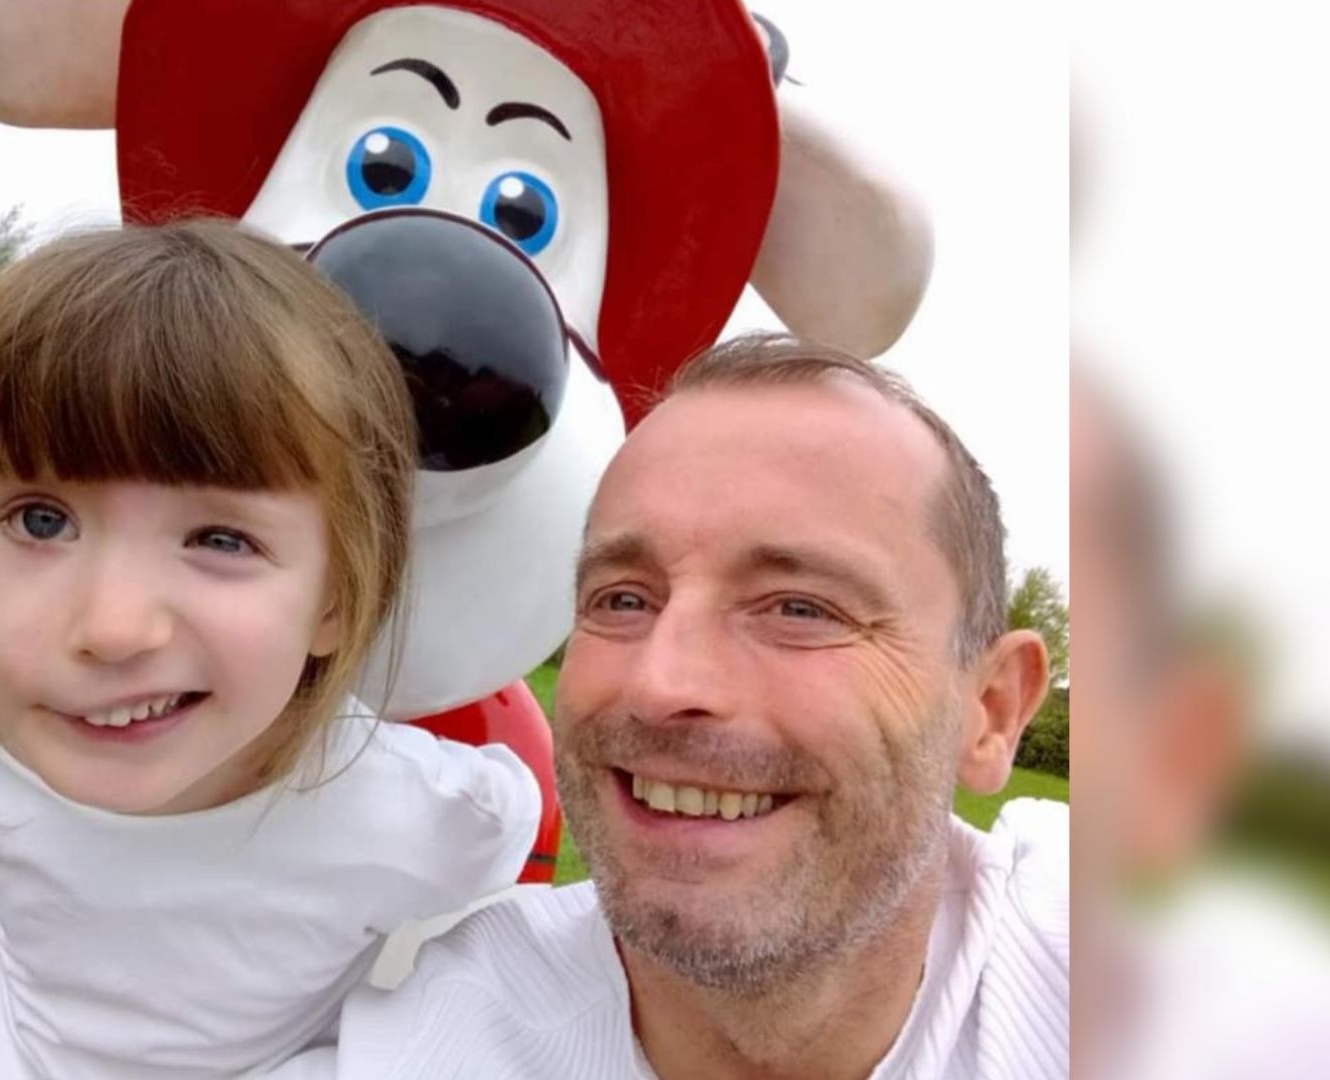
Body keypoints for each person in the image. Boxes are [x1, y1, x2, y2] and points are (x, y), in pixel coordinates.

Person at [0, 221, 541, 1079]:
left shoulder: (413, 812)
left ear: (334, 600)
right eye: (41, 520)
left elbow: (518, 851)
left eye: (221, 539)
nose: (112, 628)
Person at [310, 334, 1067, 1079]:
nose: (661, 684)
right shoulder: (440, 1041)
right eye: (623, 598)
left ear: (992, 710)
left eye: (800, 609)